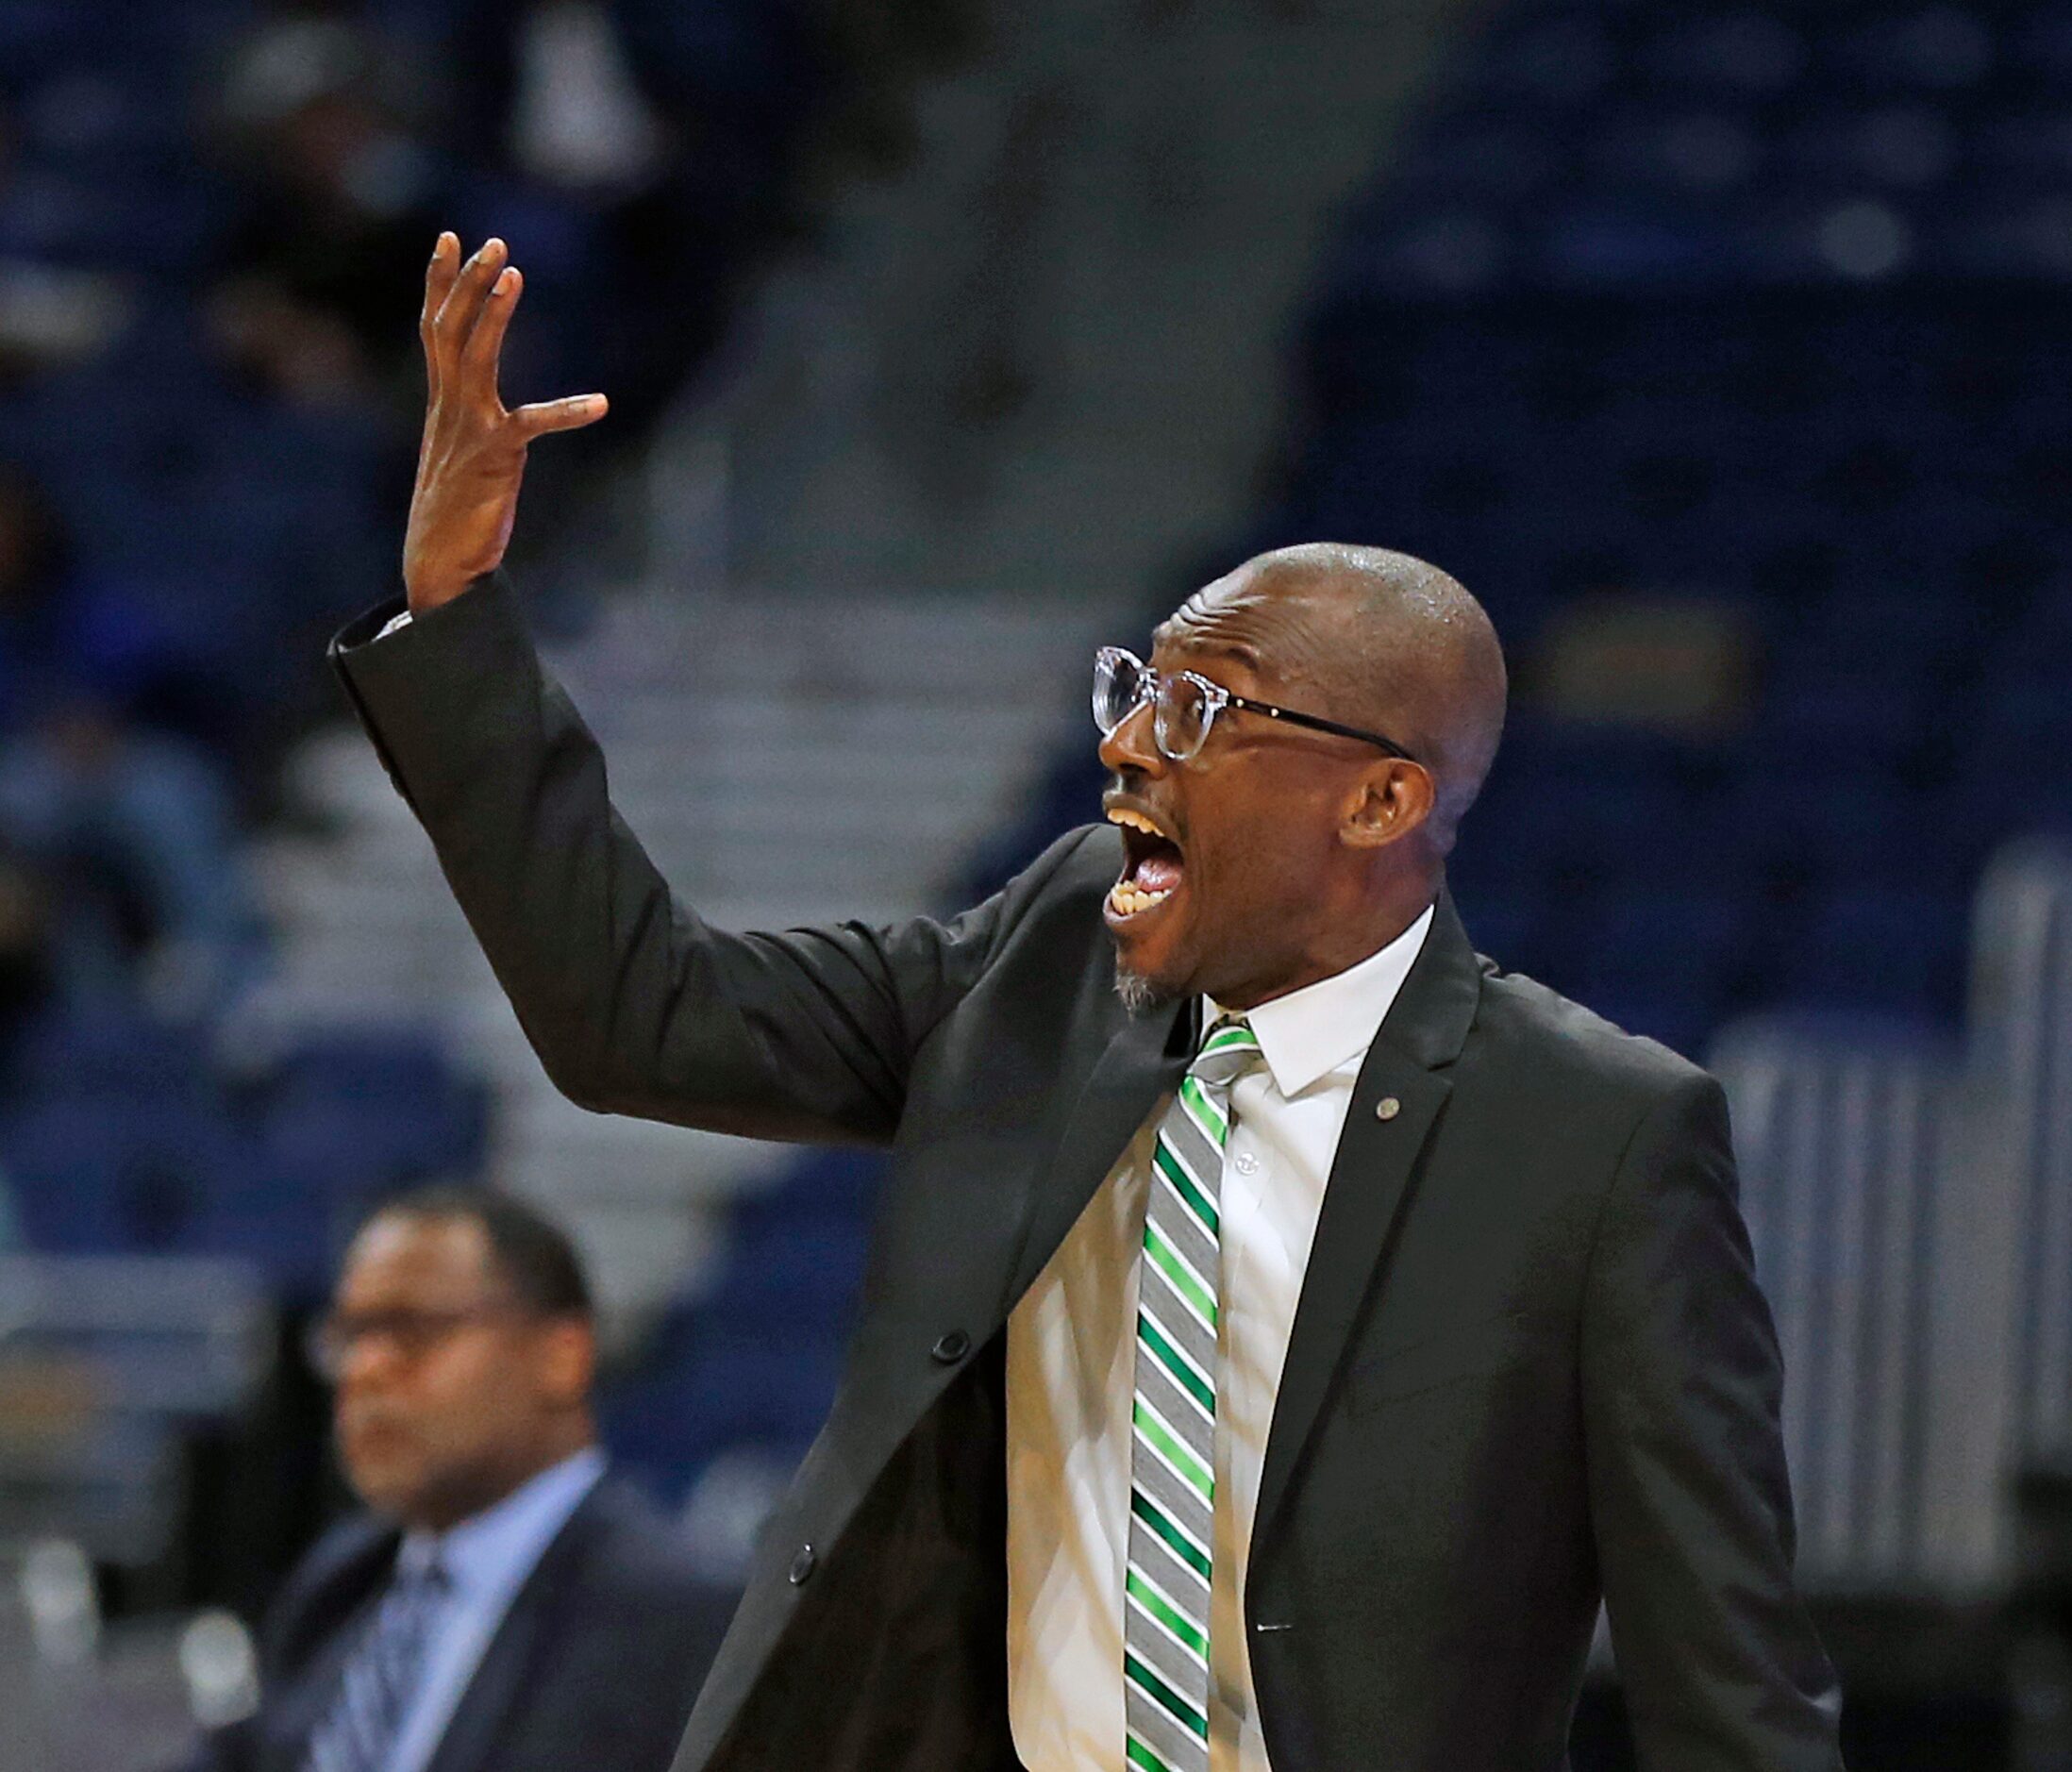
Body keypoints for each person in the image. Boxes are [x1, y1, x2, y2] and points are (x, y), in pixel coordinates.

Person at [326, 233, 1845, 1770]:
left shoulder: (1594, 1138)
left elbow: (1723, 1682)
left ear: (1380, 798)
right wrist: (457, 621)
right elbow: (636, 1015)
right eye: (1133, 690)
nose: (1127, 747)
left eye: (1199, 710)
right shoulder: (1046, 954)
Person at [175, 1184, 732, 1772]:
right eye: (351, 1335)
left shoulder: (683, 1616)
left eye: (413, 1329)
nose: (366, 1369)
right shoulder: (340, 1586)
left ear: (561, 1357)